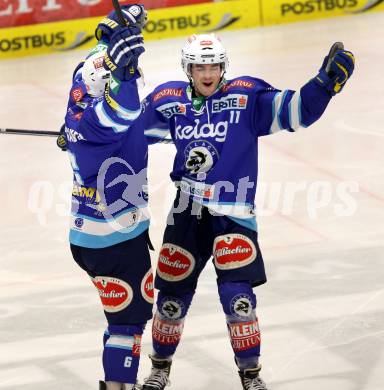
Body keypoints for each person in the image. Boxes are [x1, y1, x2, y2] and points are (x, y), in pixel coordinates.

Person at [135, 34, 355, 390]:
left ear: (224, 66)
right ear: (187, 68)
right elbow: (129, 133)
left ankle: (250, 375)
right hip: (186, 210)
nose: (207, 73)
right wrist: (86, 134)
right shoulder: (168, 100)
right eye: (199, 66)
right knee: (172, 298)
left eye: (213, 65)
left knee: (238, 300)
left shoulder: (246, 97)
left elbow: (297, 111)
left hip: (234, 211)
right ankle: (159, 369)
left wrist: (324, 85)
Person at [61, 5, 154, 390]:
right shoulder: (102, 121)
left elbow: (88, 71)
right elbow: (126, 106)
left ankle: (113, 382)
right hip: (115, 237)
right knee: (129, 323)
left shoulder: (78, 105)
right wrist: (126, 72)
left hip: (90, 236)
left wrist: (107, 36)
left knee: (119, 317)